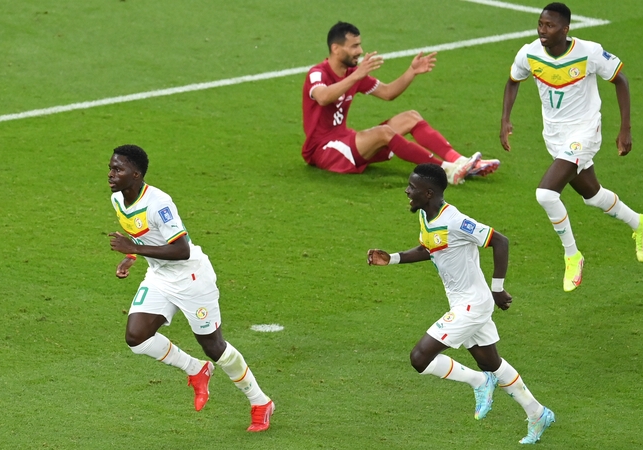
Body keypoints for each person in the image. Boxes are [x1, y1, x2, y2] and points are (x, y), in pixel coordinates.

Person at [367, 163, 554, 444]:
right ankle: (538, 413)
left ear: (429, 193)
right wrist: (392, 258)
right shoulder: (426, 216)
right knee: (492, 362)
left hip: (472, 305)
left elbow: (499, 241)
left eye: (412, 188)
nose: (407, 191)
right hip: (463, 303)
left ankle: (478, 382)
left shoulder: (455, 220)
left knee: (419, 358)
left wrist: (498, 289)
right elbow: (428, 247)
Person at [106, 144, 274, 432]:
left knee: (213, 346)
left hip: (191, 278)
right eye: (110, 167)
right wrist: (131, 256)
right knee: (137, 337)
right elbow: (141, 232)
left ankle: (260, 402)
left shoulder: (160, 203)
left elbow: (182, 250)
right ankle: (195, 370)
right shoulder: (118, 198)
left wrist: (132, 246)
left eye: (118, 169)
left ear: (136, 174)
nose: (110, 174)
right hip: (159, 276)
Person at [500, 2, 643, 292]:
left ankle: (572, 255)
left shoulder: (589, 52)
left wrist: (625, 129)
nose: (543, 30)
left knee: (546, 194)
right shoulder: (529, 53)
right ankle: (640, 223)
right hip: (555, 136)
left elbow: (620, 80)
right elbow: (512, 81)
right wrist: (505, 120)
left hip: (584, 131)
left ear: (565, 29)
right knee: (592, 195)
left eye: (550, 26)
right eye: (541, 24)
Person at [302, 21, 500, 185]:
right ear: (336, 49)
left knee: (410, 117)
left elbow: (388, 93)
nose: (360, 51)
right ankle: (445, 171)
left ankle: (460, 161)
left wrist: (411, 72)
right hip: (324, 150)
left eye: (360, 45)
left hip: (345, 139)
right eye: (354, 46)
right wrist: (357, 76)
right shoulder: (318, 73)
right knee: (384, 133)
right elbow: (323, 97)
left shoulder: (353, 74)